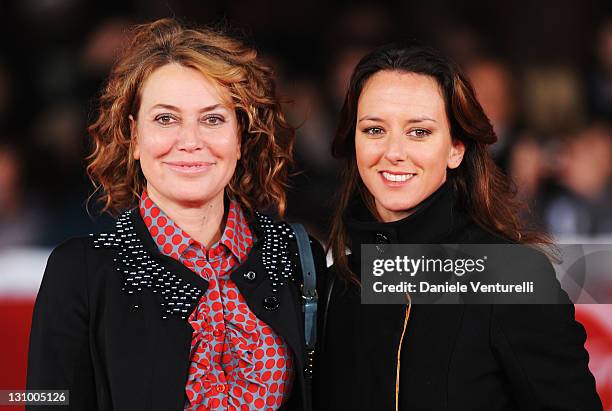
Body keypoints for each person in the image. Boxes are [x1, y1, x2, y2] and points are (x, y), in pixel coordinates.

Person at [27, 18, 325, 411]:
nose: (190, 141)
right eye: (166, 118)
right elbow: (45, 401)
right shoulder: (80, 270)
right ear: (134, 137)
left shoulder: (294, 254)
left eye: (213, 119)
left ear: (241, 136)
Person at [316, 42, 603, 410]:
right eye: (374, 129)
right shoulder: (336, 283)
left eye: (419, 132)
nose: (393, 151)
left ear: (456, 148)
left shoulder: (509, 277)